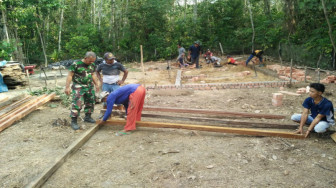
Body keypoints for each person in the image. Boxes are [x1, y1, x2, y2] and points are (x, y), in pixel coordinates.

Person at [65, 51, 100, 130]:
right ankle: (74, 121)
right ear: (85, 58)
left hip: (89, 86)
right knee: (77, 103)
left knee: (90, 101)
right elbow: (70, 75)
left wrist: (96, 84)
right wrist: (67, 87)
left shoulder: (92, 65)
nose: (91, 62)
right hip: (78, 86)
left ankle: (88, 117)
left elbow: (93, 74)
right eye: (90, 61)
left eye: (93, 61)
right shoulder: (76, 64)